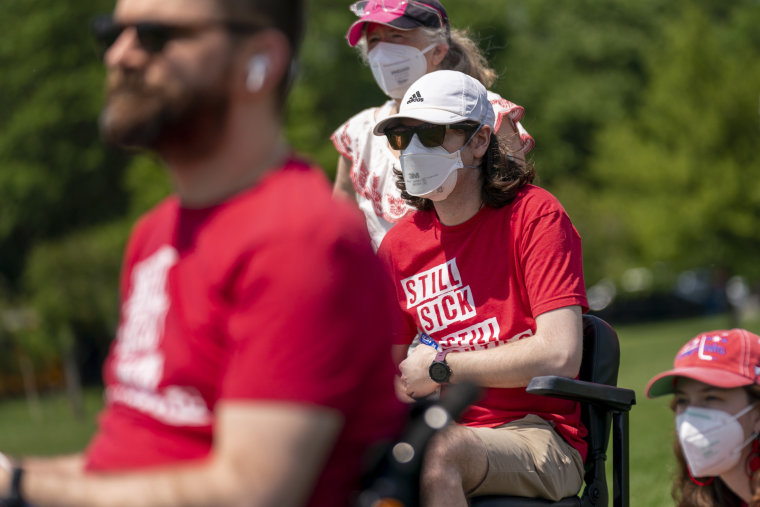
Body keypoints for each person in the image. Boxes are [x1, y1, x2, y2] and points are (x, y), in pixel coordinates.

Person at [0, 0, 405, 506]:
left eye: (153, 35)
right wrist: (15, 472)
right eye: (112, 34)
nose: (119, 56)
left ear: (259, 61)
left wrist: (18, 487)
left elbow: (249, 493)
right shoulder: (154, 234)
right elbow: (125, 465)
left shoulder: (303, 238)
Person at [374, 69, 588, 506]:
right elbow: (383, 372)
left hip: (536, 434)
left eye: (431, 135)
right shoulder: (398, 245)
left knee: (436, 452)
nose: (413, 151)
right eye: (402, 137)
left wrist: (439, 368)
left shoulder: (535, 216)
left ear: (479, 141)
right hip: (440, 426)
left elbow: (561, 355)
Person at [332, 0, 535, 250]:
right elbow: (338, 236)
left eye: (397, 35)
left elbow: (520, 215)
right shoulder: (357, 134)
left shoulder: (487, 113)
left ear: (437, 51)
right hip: (388, 285)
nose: (384, 51)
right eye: (374, 40)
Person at [646, 328, 760, 507]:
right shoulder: (716, 497)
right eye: (683, 400)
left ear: (757, 413)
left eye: (711, 397)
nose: (691, 417)